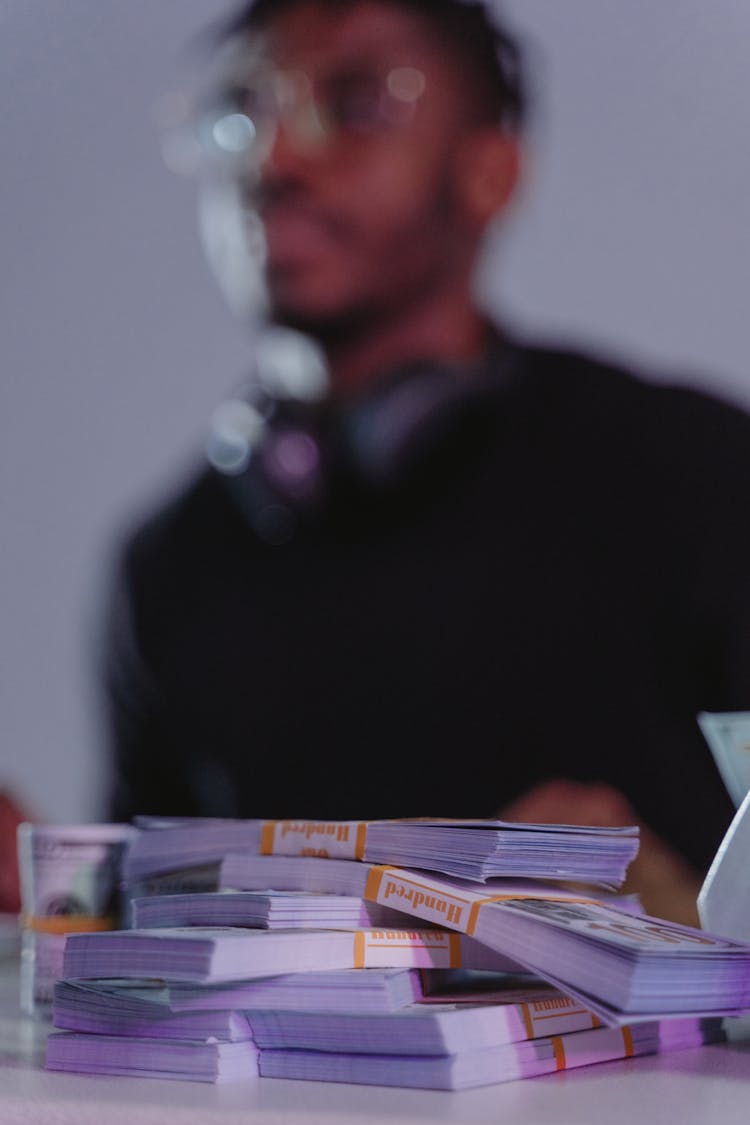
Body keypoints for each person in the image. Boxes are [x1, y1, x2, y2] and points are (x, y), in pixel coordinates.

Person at [100, 0, 750, 925]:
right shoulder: (168, 565)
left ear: (489, 174)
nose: (274, 155)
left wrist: (687, 925)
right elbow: (156, 944)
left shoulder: (699, 474)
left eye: (358, 102)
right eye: (245, 107)